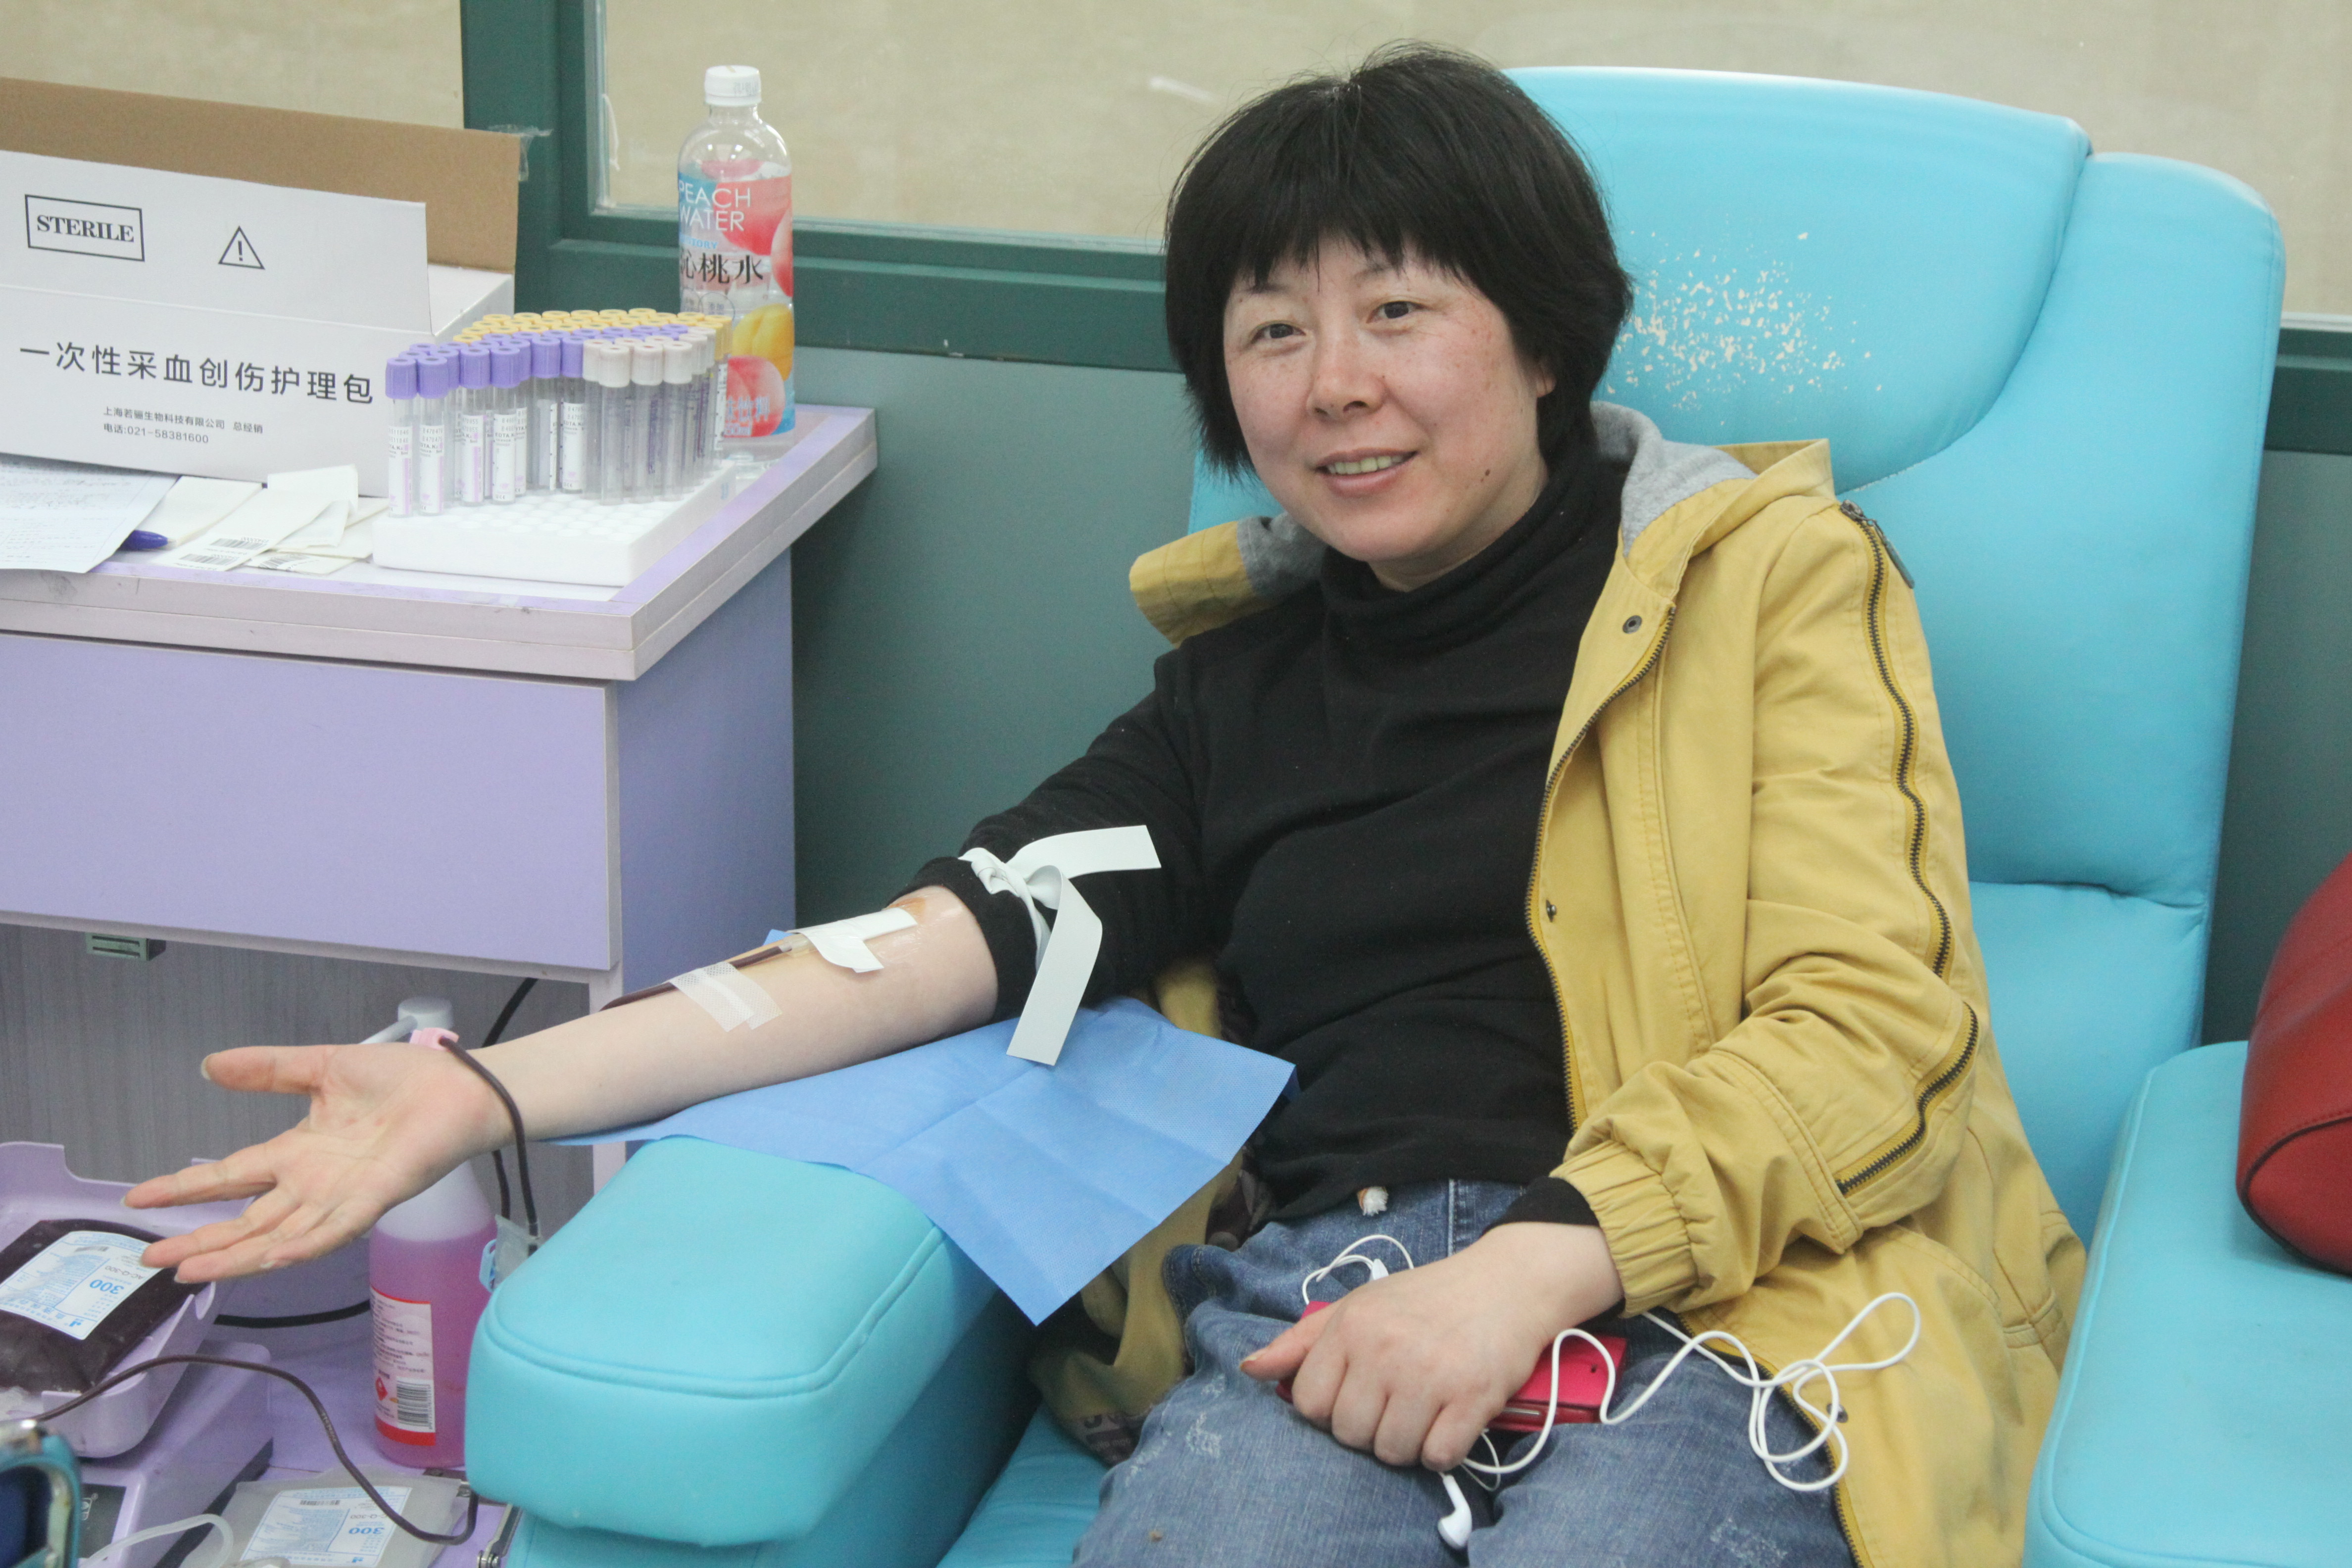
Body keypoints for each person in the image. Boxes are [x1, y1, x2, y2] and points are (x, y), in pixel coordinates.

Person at [129, 45, 2080, 1568]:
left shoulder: (1772, 588)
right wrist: (483, 1095)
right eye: (1273, 331)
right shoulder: (1235, 699)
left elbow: (1872, 1030)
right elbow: (930, 948)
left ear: (1549, 333)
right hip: (1330, 1303)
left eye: (1400, 310)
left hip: (1722, 1301)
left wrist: (1542, 1264)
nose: (1335, 386)